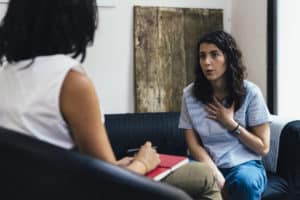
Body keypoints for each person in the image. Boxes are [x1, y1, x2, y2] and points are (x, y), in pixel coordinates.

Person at [0, 0, 222, 199]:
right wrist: (143, 162)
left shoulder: (6, 75)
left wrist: (117, 165)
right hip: (79, 190)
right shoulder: (70, 81)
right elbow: (107, 185)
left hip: (43, 188)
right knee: (204, 176)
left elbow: (66, 162)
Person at [179, 30, 270, 200]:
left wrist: (230, 123)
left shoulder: (251, 92)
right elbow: (193, 145)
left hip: (244, 164)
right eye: (202, 56)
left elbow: (263, 147)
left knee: (245, 182)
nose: (207, 62)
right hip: (204, 163)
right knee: (177, 182)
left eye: (214, 55)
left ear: (228, 58)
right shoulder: (189, 94)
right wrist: (214, 174)